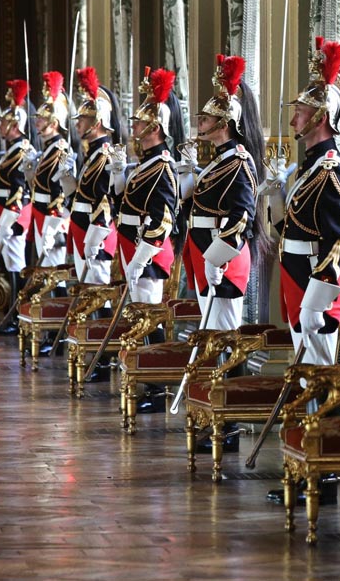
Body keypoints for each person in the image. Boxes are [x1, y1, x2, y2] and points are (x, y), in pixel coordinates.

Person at [265, 37, 340, 367]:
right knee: (305, 371)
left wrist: (317, 302)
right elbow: (289, 229)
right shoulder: (311, 166)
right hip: (298, 279)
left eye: (300, 112)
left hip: (315, 283)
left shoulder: (332, 170)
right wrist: (277, 197)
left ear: (320, 118)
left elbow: (339, 244)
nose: (294, 120)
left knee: (318, 374)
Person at [114, 67, 182, 412]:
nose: (133, 128)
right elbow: (124, 203)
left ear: (154, 129)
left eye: (139, 124)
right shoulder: (145, 164)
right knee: (138, 318)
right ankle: (145, 380)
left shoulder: (163, 166)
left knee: (150, 321)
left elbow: (162, 218)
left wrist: (142, 257)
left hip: (149, 253)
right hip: (133, 247)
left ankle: (156, 390)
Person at [182, 54, 266, 332]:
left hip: (223, 255)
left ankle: (229, 378)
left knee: (224, 334)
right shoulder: (221, 160)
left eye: (207, 119)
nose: (202, 124)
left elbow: (241, 216)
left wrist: (216, 259)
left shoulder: (239, 161)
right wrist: (189, 171)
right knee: (211, 331)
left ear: (225, 123)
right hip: (206, 249)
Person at [58, 66, 124, 289]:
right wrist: (67, 179)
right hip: (82, 228)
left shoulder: (105, 156)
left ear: (96, 123)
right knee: (87, 291)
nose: (77, 124)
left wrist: (95, 238)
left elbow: (105, 202)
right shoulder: (93, 154)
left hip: (95, 233)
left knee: (96, 293)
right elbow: (81, 196)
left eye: (82, 120)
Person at [0, 79, 35, 336]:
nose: (1, 127)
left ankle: (18, 317)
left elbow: (20, 188)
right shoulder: (10, 149)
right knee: (9, 263)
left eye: (5, 123)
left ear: (15, 125)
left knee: (16, 264)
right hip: (1, 211)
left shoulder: (22, 150)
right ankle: (13, 315)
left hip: (12, 214)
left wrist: (12, 216)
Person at [30, 70, 74, 274]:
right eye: (37, 117)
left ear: (54, 123)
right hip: (40, 212)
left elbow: (59, 192)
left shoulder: (60, 150)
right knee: (45, 272)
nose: (37, 121)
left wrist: (52, 222)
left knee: (55, 275)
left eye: (42, 118)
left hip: (51, 217)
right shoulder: (48, 149)